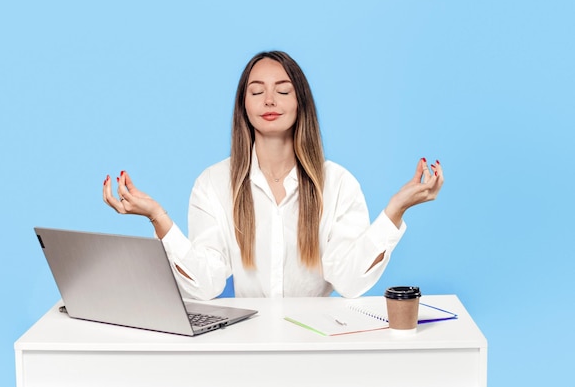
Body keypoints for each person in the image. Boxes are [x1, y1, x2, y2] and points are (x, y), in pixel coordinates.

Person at [103, 50, 444, 300]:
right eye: (256, 92)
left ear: (300, 104)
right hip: (247, 346)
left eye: (282, 91)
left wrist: (395, 211)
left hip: (317, 346)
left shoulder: (338, 183)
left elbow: (350, 282)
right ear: (244, 106)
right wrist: (158, 219)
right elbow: (205, 286)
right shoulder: (212, 184)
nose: (269, 100)